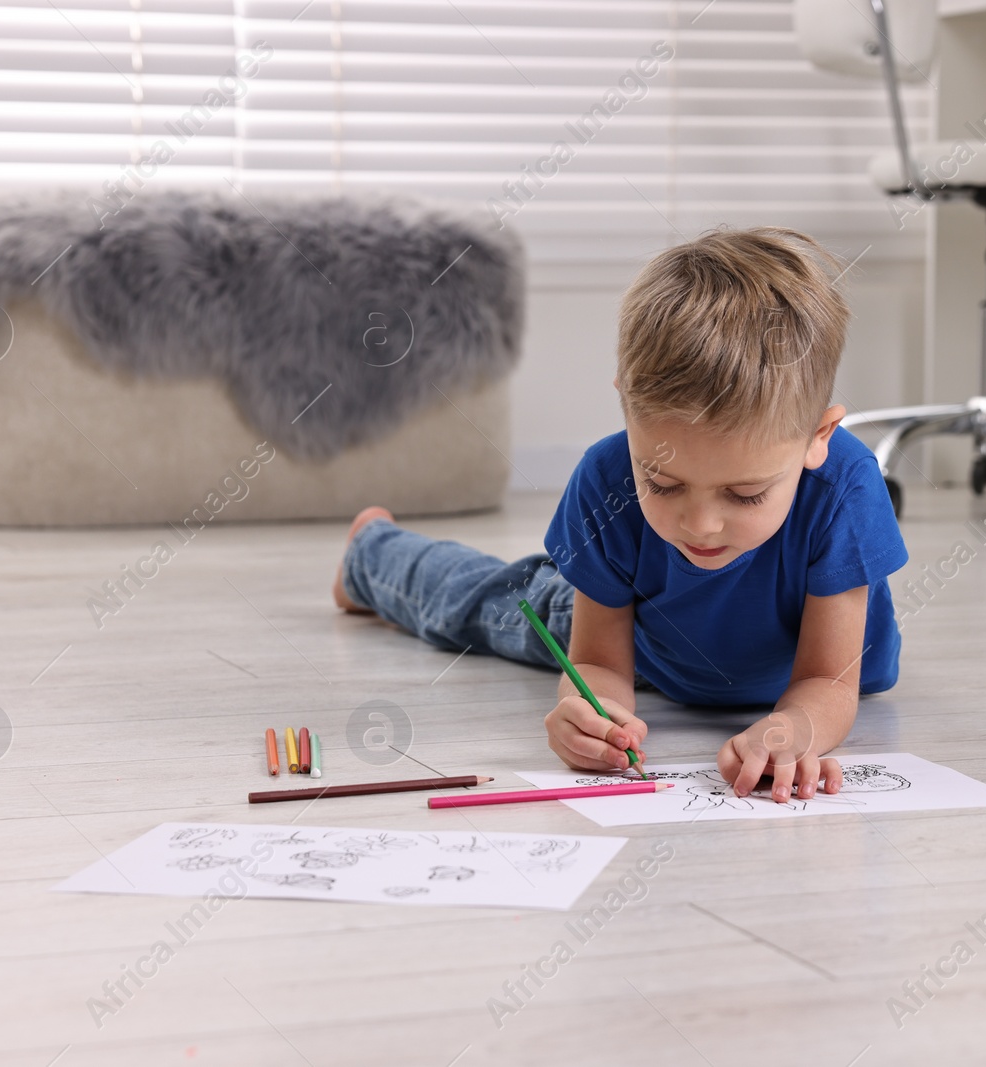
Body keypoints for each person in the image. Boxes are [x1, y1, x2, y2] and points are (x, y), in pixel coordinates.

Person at [333, 227, 906, 803]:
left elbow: (826, 680)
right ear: (628, 411)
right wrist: (590, 707)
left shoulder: (846, 487)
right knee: (494, 602)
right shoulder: (605, 479)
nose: (700, 526)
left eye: (745, 495)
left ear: (819, 437)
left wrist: (794, 729)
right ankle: (370, 554)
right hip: (646, 642)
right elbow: (596, 662)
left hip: (803, 668)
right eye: (661, 482)